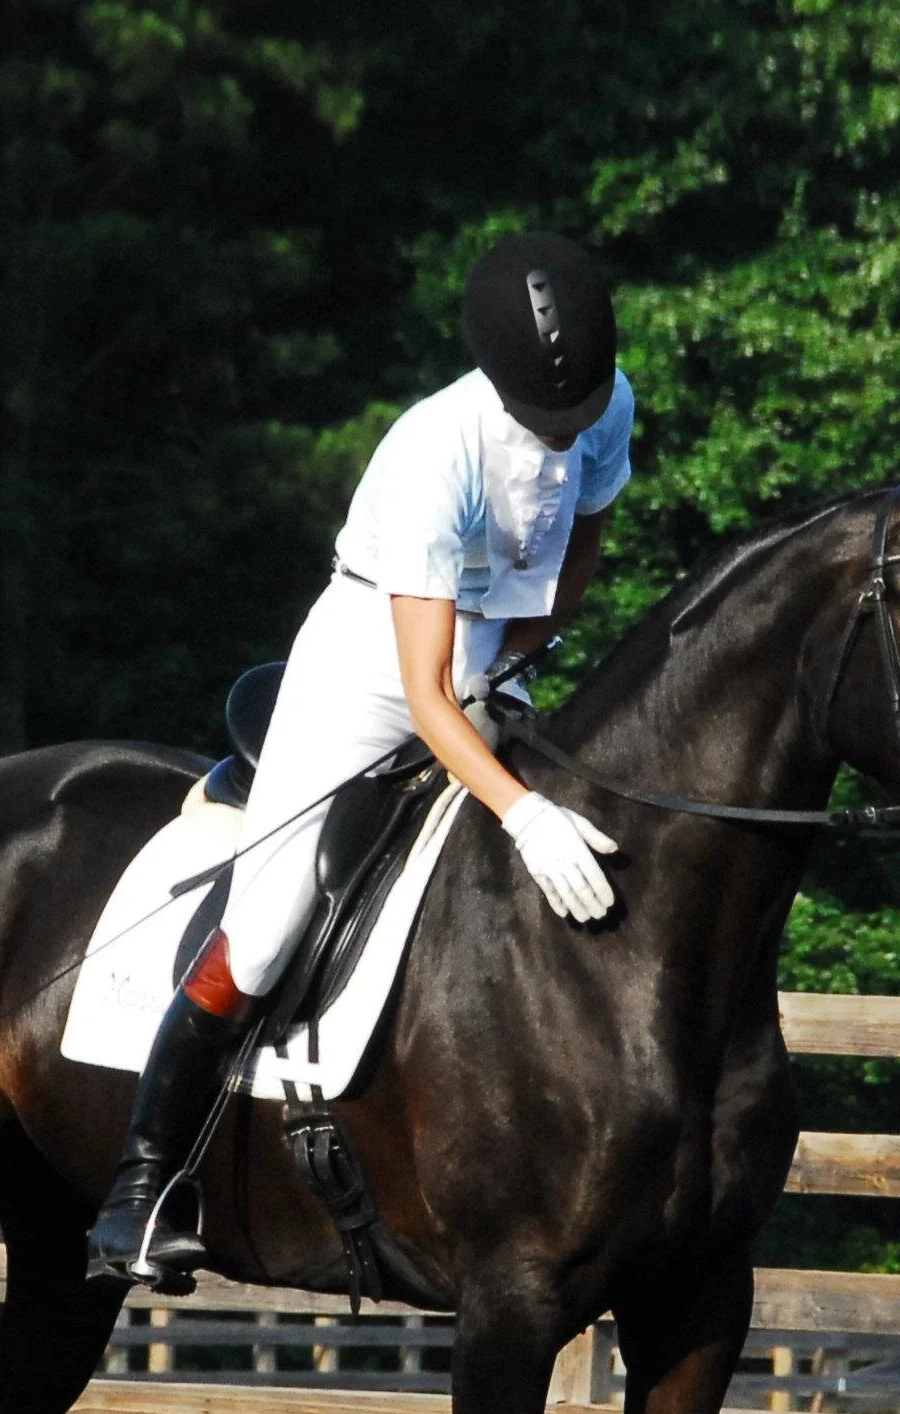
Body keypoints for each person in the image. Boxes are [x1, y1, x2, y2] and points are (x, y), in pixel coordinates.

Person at [87, 230, 634, 1283]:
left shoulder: (606, 405)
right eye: (542, 422)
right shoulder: (436, 451)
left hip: (493, 650)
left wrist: (516, 661)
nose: (563, 441)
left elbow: (572, 571)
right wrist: (521, 811)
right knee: (264, 928)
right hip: (373, 665)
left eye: (577, 420)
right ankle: (142, 1186)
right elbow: (424, 697)